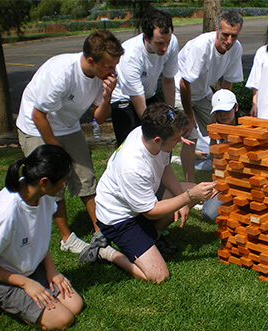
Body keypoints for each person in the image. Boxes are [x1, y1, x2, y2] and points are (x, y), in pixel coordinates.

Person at [79, 103, 217, 283]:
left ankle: (154, 236)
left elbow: (165, 166)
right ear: (158, 139)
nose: (179, 141)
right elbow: (150, 212)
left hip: (142, 198)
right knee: (158, 275)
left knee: (189, 189)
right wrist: (187, 198)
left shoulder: (148, 134)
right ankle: (105, 252)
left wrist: (183, 198)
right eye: (176, 138)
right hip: (119, 217)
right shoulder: (132, 166)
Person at [15, 31, 124, 254]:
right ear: (91, 61)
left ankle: (100, 230)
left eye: (115, 65)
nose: (113, 71)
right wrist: (56, 151)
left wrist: (107, 95)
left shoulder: (100, 77)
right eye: (109, 66)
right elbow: (38, 115)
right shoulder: (63, 74)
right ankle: (66, 238)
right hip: (35, 124)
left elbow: (99, 117)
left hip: (67, 124)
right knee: (52, 181)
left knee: (87, 177)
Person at [0, 145, 84, 331]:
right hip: (0, 277)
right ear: (44, 181)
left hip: (27, 266)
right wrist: (25, 284)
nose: (64, 186)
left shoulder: (44, 194)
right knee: (62, 320)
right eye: (63, 181)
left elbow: (36, 237)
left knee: (75, 305)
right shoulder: (5, 215)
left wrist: (52, 270)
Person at [175, 10, 244, 183]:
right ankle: (189, 185)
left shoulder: (236, 49)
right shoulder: (201, 47)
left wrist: (223, 106)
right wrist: (190, 117)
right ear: (216, 30)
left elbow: (228, 83)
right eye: (225, 35)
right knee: (190, 137)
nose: (229, 41)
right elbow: (185, 83)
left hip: (203, 92)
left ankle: (223, 173)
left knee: (221, 130)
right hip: (181, 91)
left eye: (234, 36)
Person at [110, 9, 179, 146]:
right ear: (146, 38)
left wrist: (170, 114)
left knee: (163, 141)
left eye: (168, 42)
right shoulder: (130, 55)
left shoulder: (172, 43)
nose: (165, 48)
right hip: (124, 99)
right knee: (133, 145)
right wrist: (156, 128)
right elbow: (137, 98)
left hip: (148, 94)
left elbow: (168, 80)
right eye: (159, 43)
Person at [201, 89, 243, 222]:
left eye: (226, 110)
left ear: (236, 107)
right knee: (209, 214)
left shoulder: (247, 126)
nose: (222, 115)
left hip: (246, 177)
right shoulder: (216, 130)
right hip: (225, 177)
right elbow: (215, 161)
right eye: (218, 112)